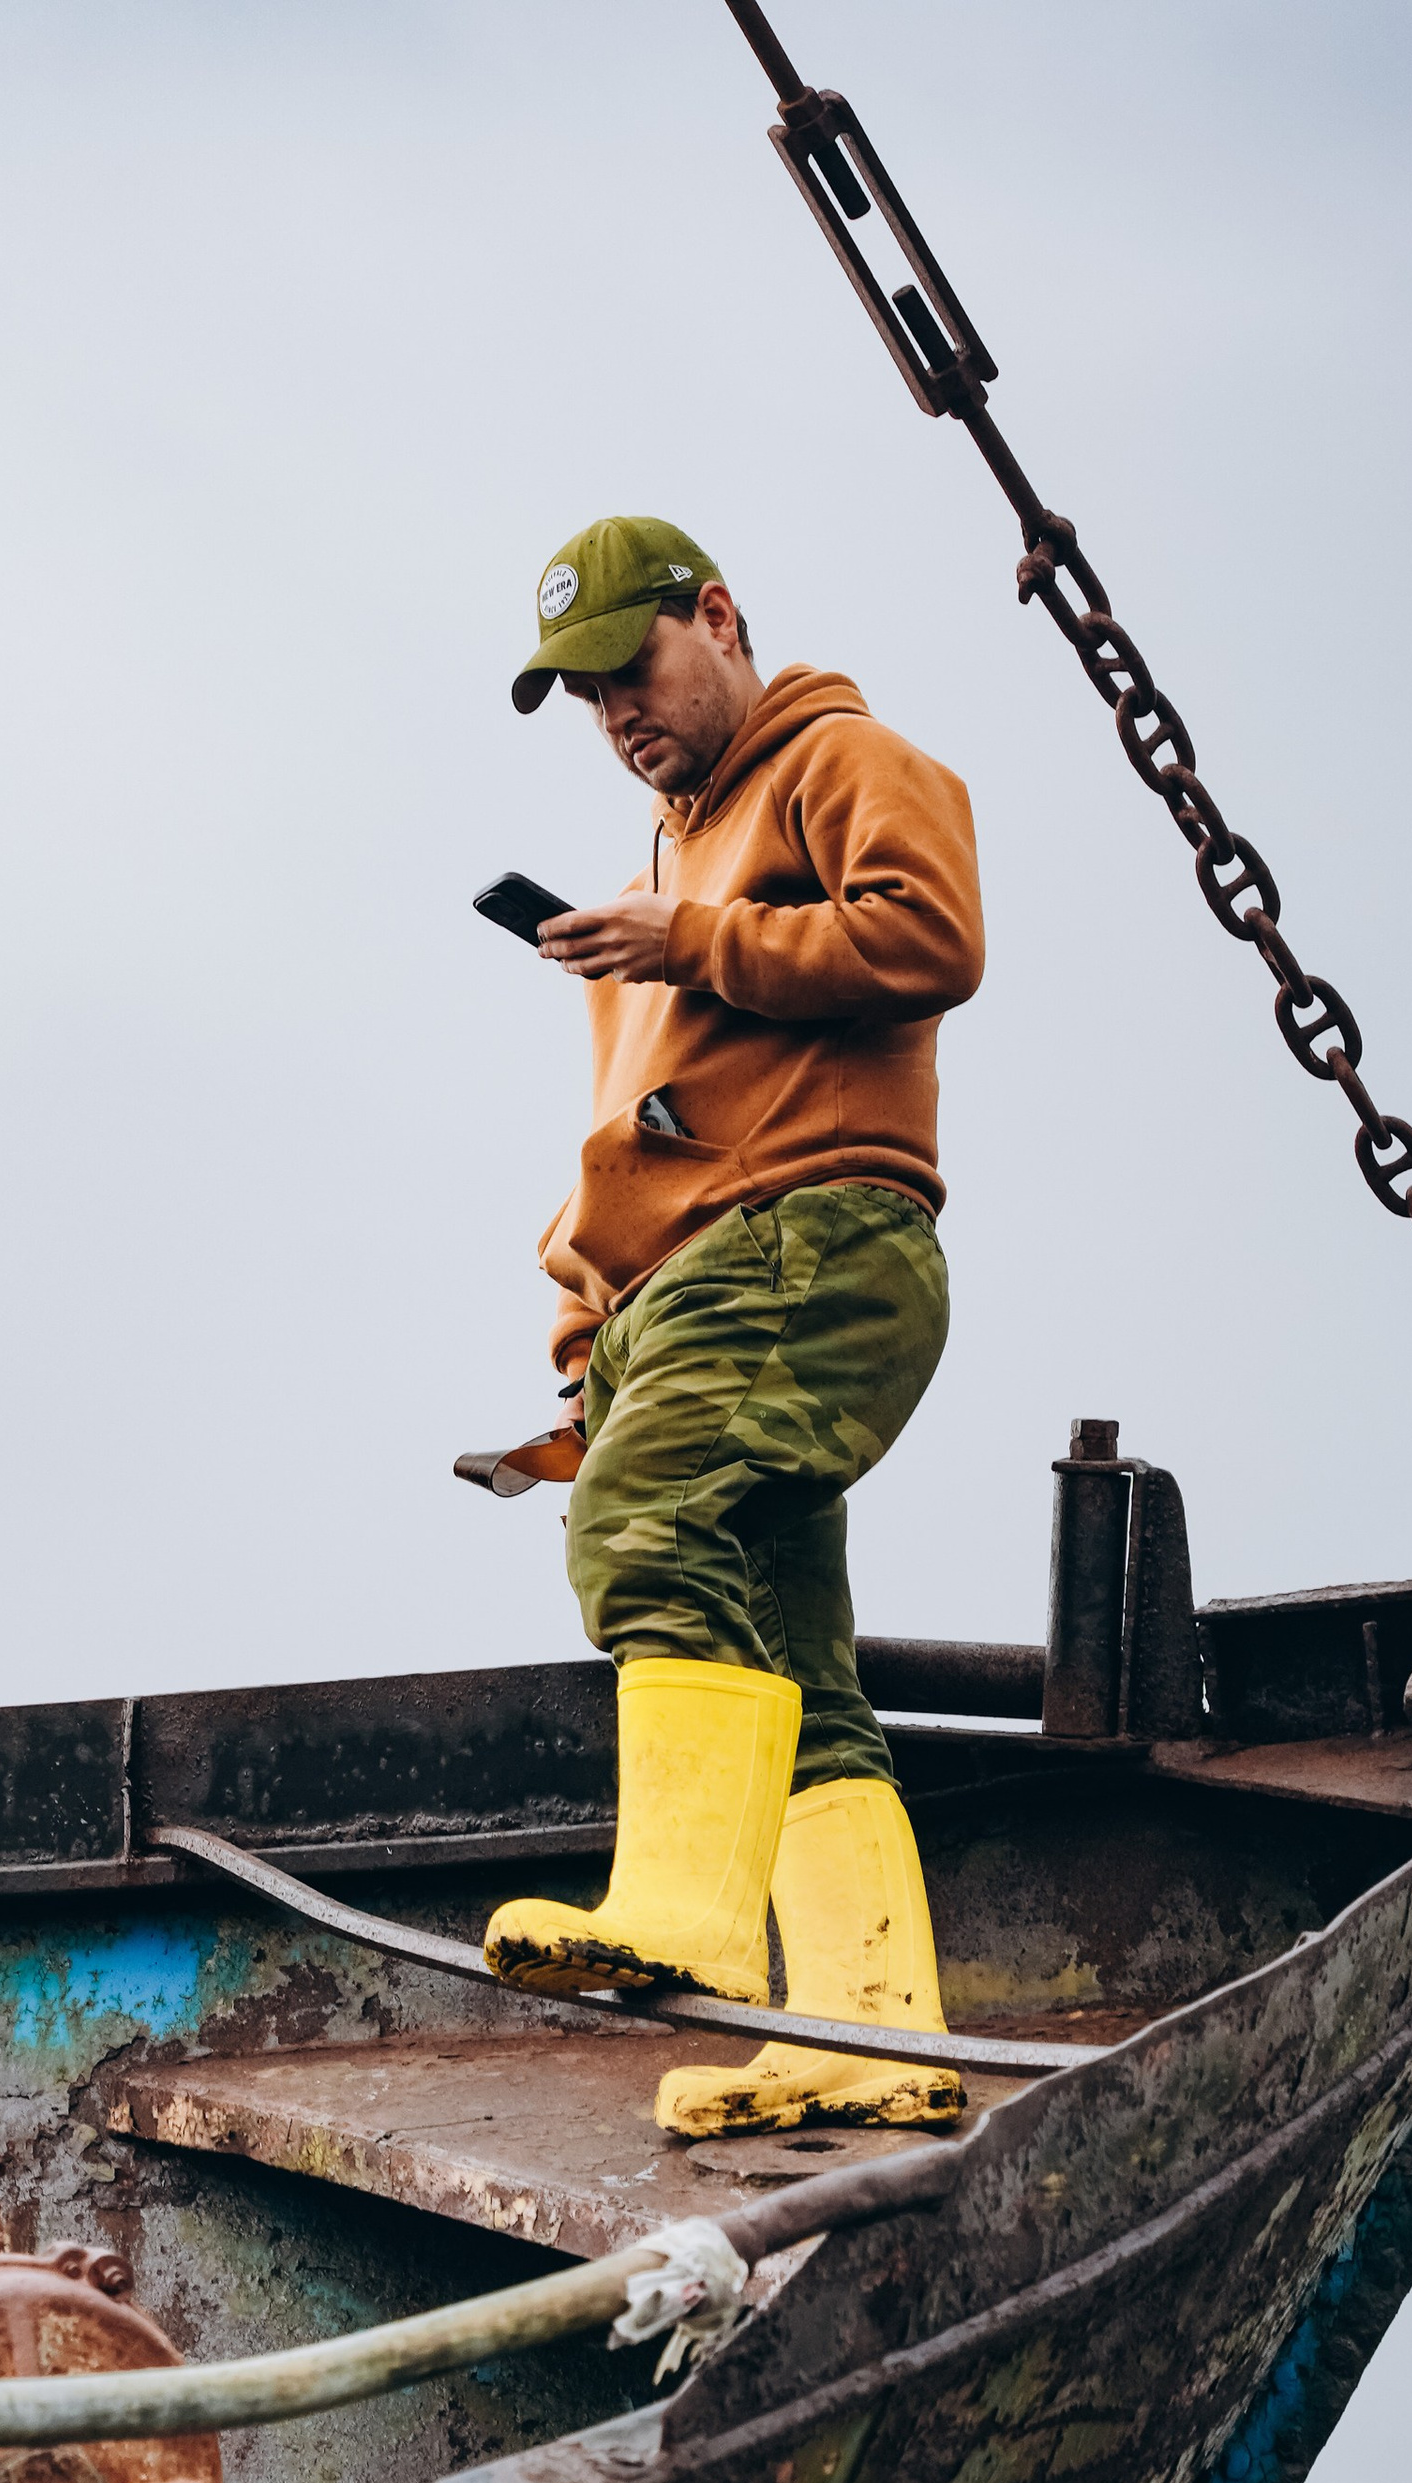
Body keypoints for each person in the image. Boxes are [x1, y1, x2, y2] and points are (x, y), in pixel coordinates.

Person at [479, 513, 985, 2140]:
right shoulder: (657, 882)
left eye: (633, 666)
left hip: (806, 1244)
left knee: (644, 1534)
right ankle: (868, 2028)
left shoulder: (839, 760)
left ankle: (685, 1915)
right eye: (587, 695)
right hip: (689, 1288)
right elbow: (636, 1127)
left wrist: (688, 941)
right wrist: (584, 1336)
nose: (619, 712)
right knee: (800, 1674)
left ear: (719, 616)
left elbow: (932, 938)